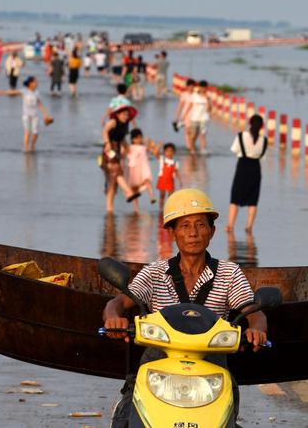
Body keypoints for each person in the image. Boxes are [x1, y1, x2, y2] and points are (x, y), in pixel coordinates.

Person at [103, 188, 268, 428]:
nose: (193, 233)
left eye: (201, 225)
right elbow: (117, 303)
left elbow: (255, 313)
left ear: (211, 231)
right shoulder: (154, 272)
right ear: (172, 232)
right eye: (185, 226)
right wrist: (112, 318)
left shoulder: (229, 273)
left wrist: (257, 330)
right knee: (126, 420)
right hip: (159, 362)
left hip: (211, 365)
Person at [227, 114, 268, 233]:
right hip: (256, 169)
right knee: (253, 199)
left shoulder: (241, 136)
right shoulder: (264, 140)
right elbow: (262, 157)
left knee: (235, 197)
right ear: (262, 126)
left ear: (249, 123)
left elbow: (234, 150)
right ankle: (249, 227)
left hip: (242, 167)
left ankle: (230, 225)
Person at [101, 105, 141, 212]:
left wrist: (128, 148)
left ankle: (109, 209)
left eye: (127, 115)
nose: (126, 117)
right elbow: (104, 131)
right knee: (116, 171)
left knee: (113, 183)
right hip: (108, 151)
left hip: (117, 150)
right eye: (124, 114)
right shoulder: (113, 122)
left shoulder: (125, 125)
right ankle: (129, 192)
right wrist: (107, 143)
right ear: (118, 114)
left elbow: (122, 139)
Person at [127, 128, 158, 212]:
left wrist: (152, 144)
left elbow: (153, 151)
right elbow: (124, 151)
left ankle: (152, 197)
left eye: (140, 137)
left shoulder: (143, 147)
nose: (139, 139)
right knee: (134, 190)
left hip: (144, 168)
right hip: (134, 169)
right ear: (132, 139)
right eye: (137, 138)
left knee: (147, 181)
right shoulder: (130, 147)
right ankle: (136, 209)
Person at [21, 76, 52, 153]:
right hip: (26, 115)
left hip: (35, 115)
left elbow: (40, 104)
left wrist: (46, 114)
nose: (37, 83)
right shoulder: (24, 91)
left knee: (35, 132)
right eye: (35, 82)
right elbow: (13, 92)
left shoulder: (37, 93)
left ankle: (32, 146)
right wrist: (3, 93)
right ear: (30, 83)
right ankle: (26, 149)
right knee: (27, 132)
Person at [183, 80, 211, 154]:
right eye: (202, 87)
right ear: (200, 87)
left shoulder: (208, 97)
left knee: (203, 135)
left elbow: (209, 109)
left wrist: (208, 100)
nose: (203, 89)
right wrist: (184, 115)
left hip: (204, 119)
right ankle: (192, 149)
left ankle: (203, 150)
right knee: (193, 136)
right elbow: (189, 106)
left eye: (205, 88)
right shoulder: (194, 96)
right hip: (194, 119)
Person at [156, 143, 182, 209]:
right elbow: (156, 154)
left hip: (170, 181)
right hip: (162, 180)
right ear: (164, 152)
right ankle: (161, 209)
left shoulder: (175, 162)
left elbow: (176, 172)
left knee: (171, 197)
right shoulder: (162, 159)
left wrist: (180, 181)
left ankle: (169, 209)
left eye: (171, 151)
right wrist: (158, 147)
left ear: (174, 152)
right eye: (167, 151)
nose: (169, 153)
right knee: (162, 195)